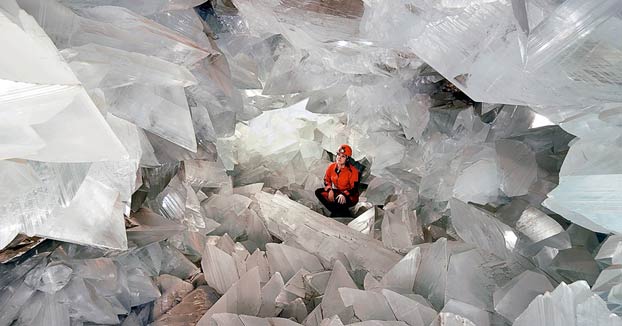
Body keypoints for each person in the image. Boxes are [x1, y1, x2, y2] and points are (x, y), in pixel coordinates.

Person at [315, 144, 359, 217]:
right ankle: (337, 211)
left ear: (347, 159)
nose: (339, 158)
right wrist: (330, 190)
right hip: (339, 192)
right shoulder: (332, 167)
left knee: (339, 200)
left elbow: (354, 189)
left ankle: (339, 213)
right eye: (338, 155)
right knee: (318, 192)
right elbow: (326, 179)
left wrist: (344, 195)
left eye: (343, 156)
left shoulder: (353, 171)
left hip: (351, 196)